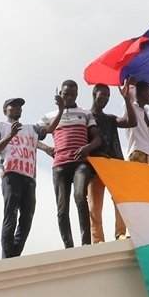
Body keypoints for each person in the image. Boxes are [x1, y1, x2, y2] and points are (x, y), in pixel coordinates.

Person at [0, 98, 47, 259]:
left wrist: (61, 110)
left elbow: (48, 130)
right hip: (11, 174)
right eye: (14, 106)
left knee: (27, 215)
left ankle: (14, 253)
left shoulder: (30, 128)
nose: (18, 109)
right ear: (5, 109)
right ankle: (7, 255)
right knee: (11, 213)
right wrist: (11, 135)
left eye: (20, 106)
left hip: (29, 177)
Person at [43, 80, 95, 249]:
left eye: (72, 94)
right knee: (62, 207)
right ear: (60, 94)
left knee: (80, 196)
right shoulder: (50, 115)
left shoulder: (85, 113)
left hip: (80, 163)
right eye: (66, 94)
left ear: (77, 94)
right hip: (60, 165)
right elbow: (35, 135)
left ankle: (86, 242)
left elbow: (98, 138)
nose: (69, 97)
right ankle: (69, 246)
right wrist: (47, 149)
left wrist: (87, 147)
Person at [80, 83, 125, 244]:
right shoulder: (85, 117)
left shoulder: (110, 119)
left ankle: (120, 233)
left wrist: (126, 99)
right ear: (94, 94)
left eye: (108, 96)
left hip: (114, 165)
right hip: (95, 166)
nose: (105, 99)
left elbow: (129, 122)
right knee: (94, 205)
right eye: (102, 95)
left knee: (120, 200)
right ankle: (97, 239)